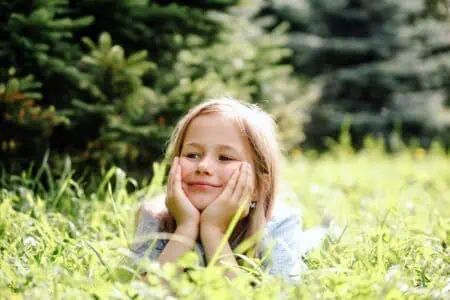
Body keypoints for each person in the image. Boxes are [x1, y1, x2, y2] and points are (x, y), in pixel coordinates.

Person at [131, 97, 326, 281]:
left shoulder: (280, 224)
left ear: (259, 186)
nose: (203, 167)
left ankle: (327, 229)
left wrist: (213, 231)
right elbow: (143, 292)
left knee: (311, 242)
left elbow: (282, 294)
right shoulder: (154, 216)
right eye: (192, 154)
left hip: (293, 238)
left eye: (225, 158)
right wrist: (186, 227)